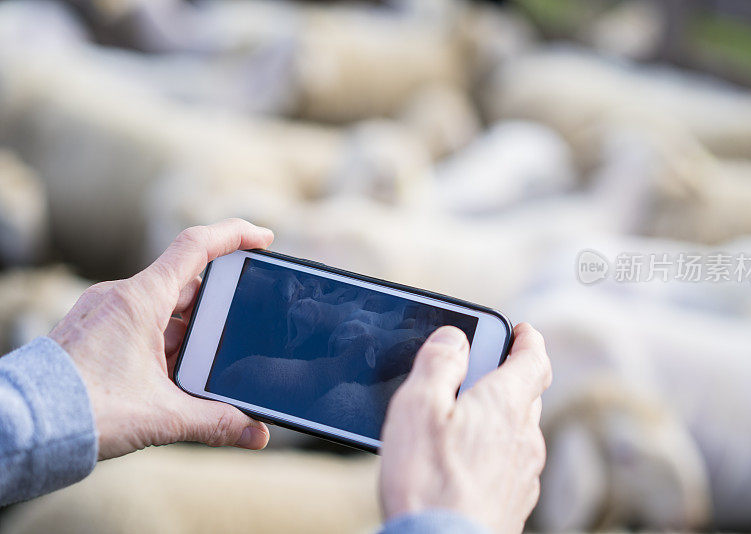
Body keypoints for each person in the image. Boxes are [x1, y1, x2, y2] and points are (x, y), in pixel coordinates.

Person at [0, 219, 551, 534]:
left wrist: (51, 401)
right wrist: (451, 525)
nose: (305, 299)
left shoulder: (328, 376)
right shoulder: (325, 380)